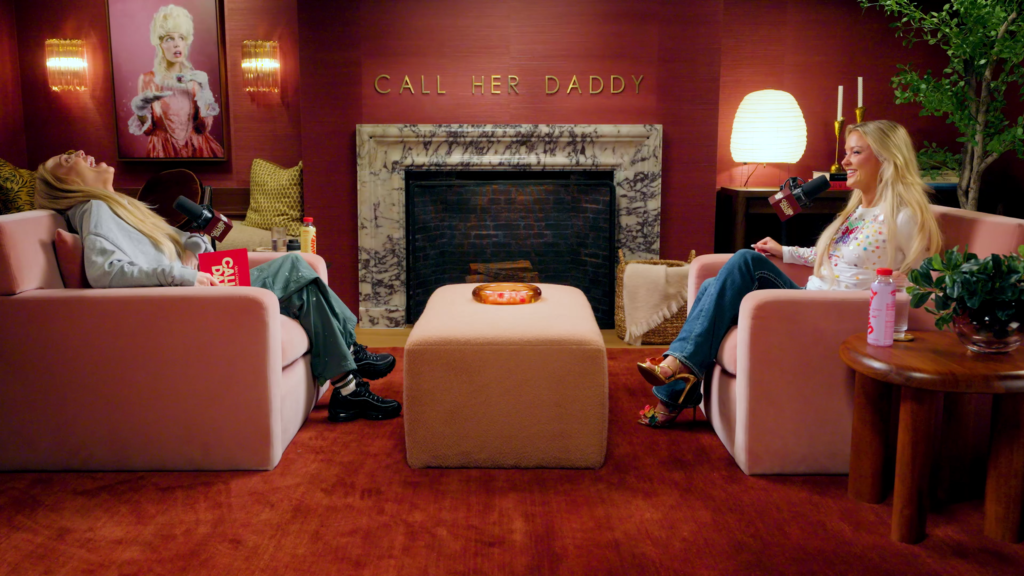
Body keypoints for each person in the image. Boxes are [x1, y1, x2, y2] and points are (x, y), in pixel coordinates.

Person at [35, 150, 399, 423]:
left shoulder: (118, 207)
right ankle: (351, 373)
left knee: (296, 271)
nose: (81, 153)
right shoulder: (92, 210)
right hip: (187, 299)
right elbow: (106, 272)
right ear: (65, 183)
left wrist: (194, 246)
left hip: (196, 286)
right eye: (69, 158)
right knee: (292, 269)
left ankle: (349, 376)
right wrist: (183, 276)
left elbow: (174, 241)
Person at [636, 120, 943, 427]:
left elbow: (926, 280)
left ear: (887, 159)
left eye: (856, 152)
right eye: (847, 152)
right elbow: (831, 258)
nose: (845, 161)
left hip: (833, 312)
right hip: (811, 299)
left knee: (744, 261)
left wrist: (904, 284)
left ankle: (676, 364)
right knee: (714, 285)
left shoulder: (904, 216)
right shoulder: (858, 211)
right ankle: (674, 392)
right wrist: (785, 251)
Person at [128, 4, 224, 158]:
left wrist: (205, 90)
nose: (177, 43)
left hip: (197, 149)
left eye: (181, 37)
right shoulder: (147, 79)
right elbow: (148, 130)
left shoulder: (195, 79)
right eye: (169, 38)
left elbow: (204, 127)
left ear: (186, 42)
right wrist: (140, 110)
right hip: (161, 151)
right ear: (160, 44)